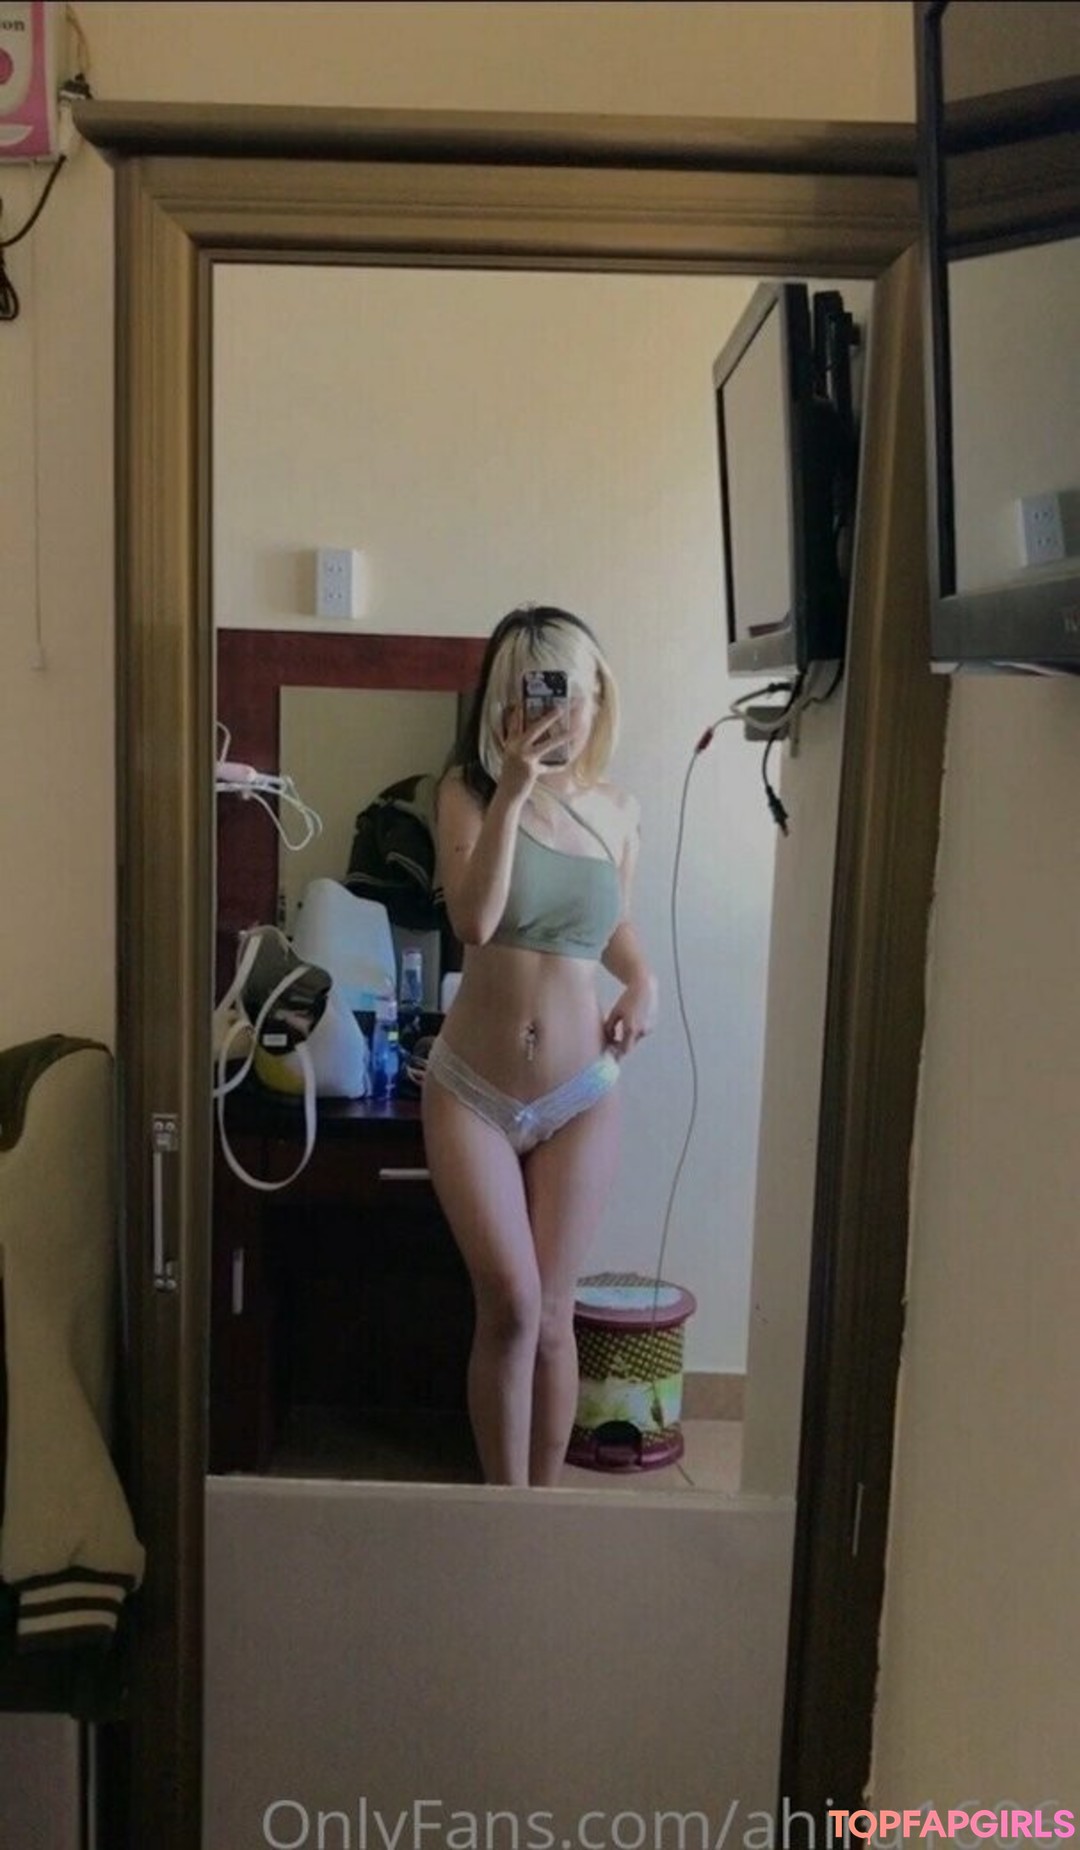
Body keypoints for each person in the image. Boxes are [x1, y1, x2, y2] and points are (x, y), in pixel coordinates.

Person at [421, 605, 658, 1487]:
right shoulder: (468, 792)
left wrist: (645, 980)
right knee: (512, 1307)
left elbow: (611, 925)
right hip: (472, 1090)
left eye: (574, 695)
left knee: (556, 1316)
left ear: (598, 697)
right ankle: (502, 1507)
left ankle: (542, 1520)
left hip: (580, 1092)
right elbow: (474, 921)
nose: (561, 715)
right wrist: (516, 788)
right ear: (505, 701)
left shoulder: (618, 811)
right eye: (538, 694)